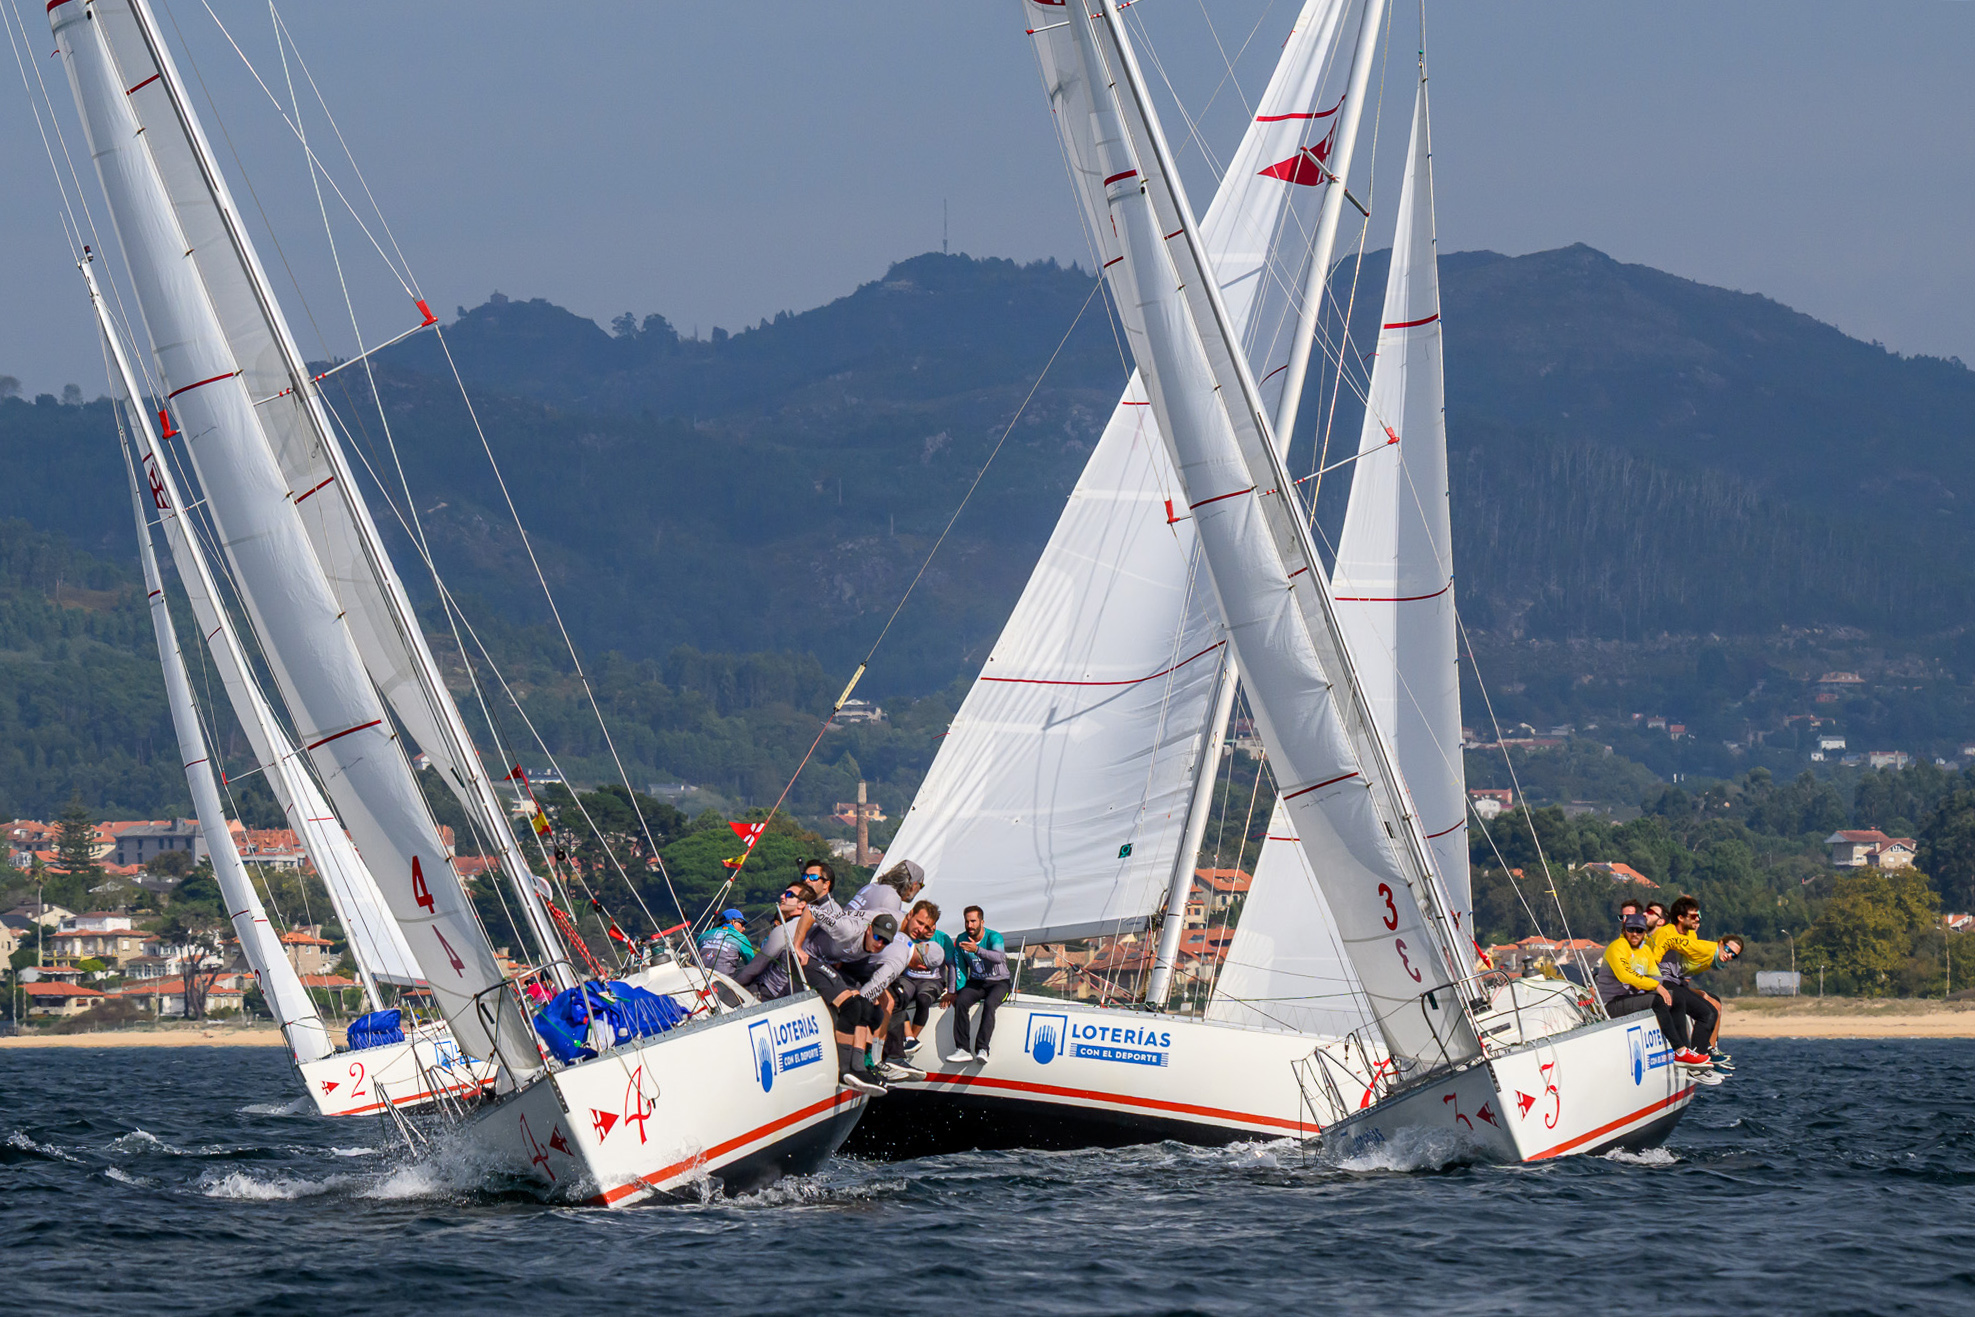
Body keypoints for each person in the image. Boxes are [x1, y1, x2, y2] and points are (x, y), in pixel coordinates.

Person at [1594, 913, 1719, 1082]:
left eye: (1640, 931)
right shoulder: (1617, 947)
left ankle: (1687, 1053)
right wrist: (1656, 987)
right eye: (1631, 930)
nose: (1635, 934)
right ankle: (1680, 1051)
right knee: (1658, 1000)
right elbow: (1626, 975)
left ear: (1645, 933)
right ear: (1624, 930)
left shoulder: (1645, 951)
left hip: (1631, 999)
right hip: (1611, 1003)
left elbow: (1656, 975)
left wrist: (1664, 987)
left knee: (1676, 997)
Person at [1651, 896, 1743, 1070]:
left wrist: (1690, 988)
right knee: (1706, 1014)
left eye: (1734, 956)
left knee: (1713, 1007)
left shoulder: (1691, 934)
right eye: (1694, 916)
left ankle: (1706, 1052)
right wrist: (1655, 985)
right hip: (1663, 982)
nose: (1697, 920)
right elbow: (1653, 960)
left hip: (1677, 983)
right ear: (1680, 917)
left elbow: (1688, 963)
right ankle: (1697, 1057)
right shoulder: (1666, 933)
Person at [945, 905, 1010, 1063]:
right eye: (967, 922)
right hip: (977, 982)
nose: (970, 925)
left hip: (999, 982)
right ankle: (962, 1049)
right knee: (961, 1002)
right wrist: (953, 991)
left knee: (989, 1004)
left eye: (973, 921)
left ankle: (983, 1048)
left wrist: (977, 950)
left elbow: (999, 957)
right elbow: (958, 966)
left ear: (982, 922)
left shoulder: (994, 937)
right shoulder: (961, 939)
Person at [847, 859, 926, 917]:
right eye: (921, 885)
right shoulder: (892, 898)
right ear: (914, 885)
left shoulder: (871, 886)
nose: (920, 889)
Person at [696, 908, 755, 977]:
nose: (743, 928)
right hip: (721, 981)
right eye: (742, 923)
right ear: (733, 921)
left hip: (697, 977)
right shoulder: (740, 937)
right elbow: (753, 964)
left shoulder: (705, 934)